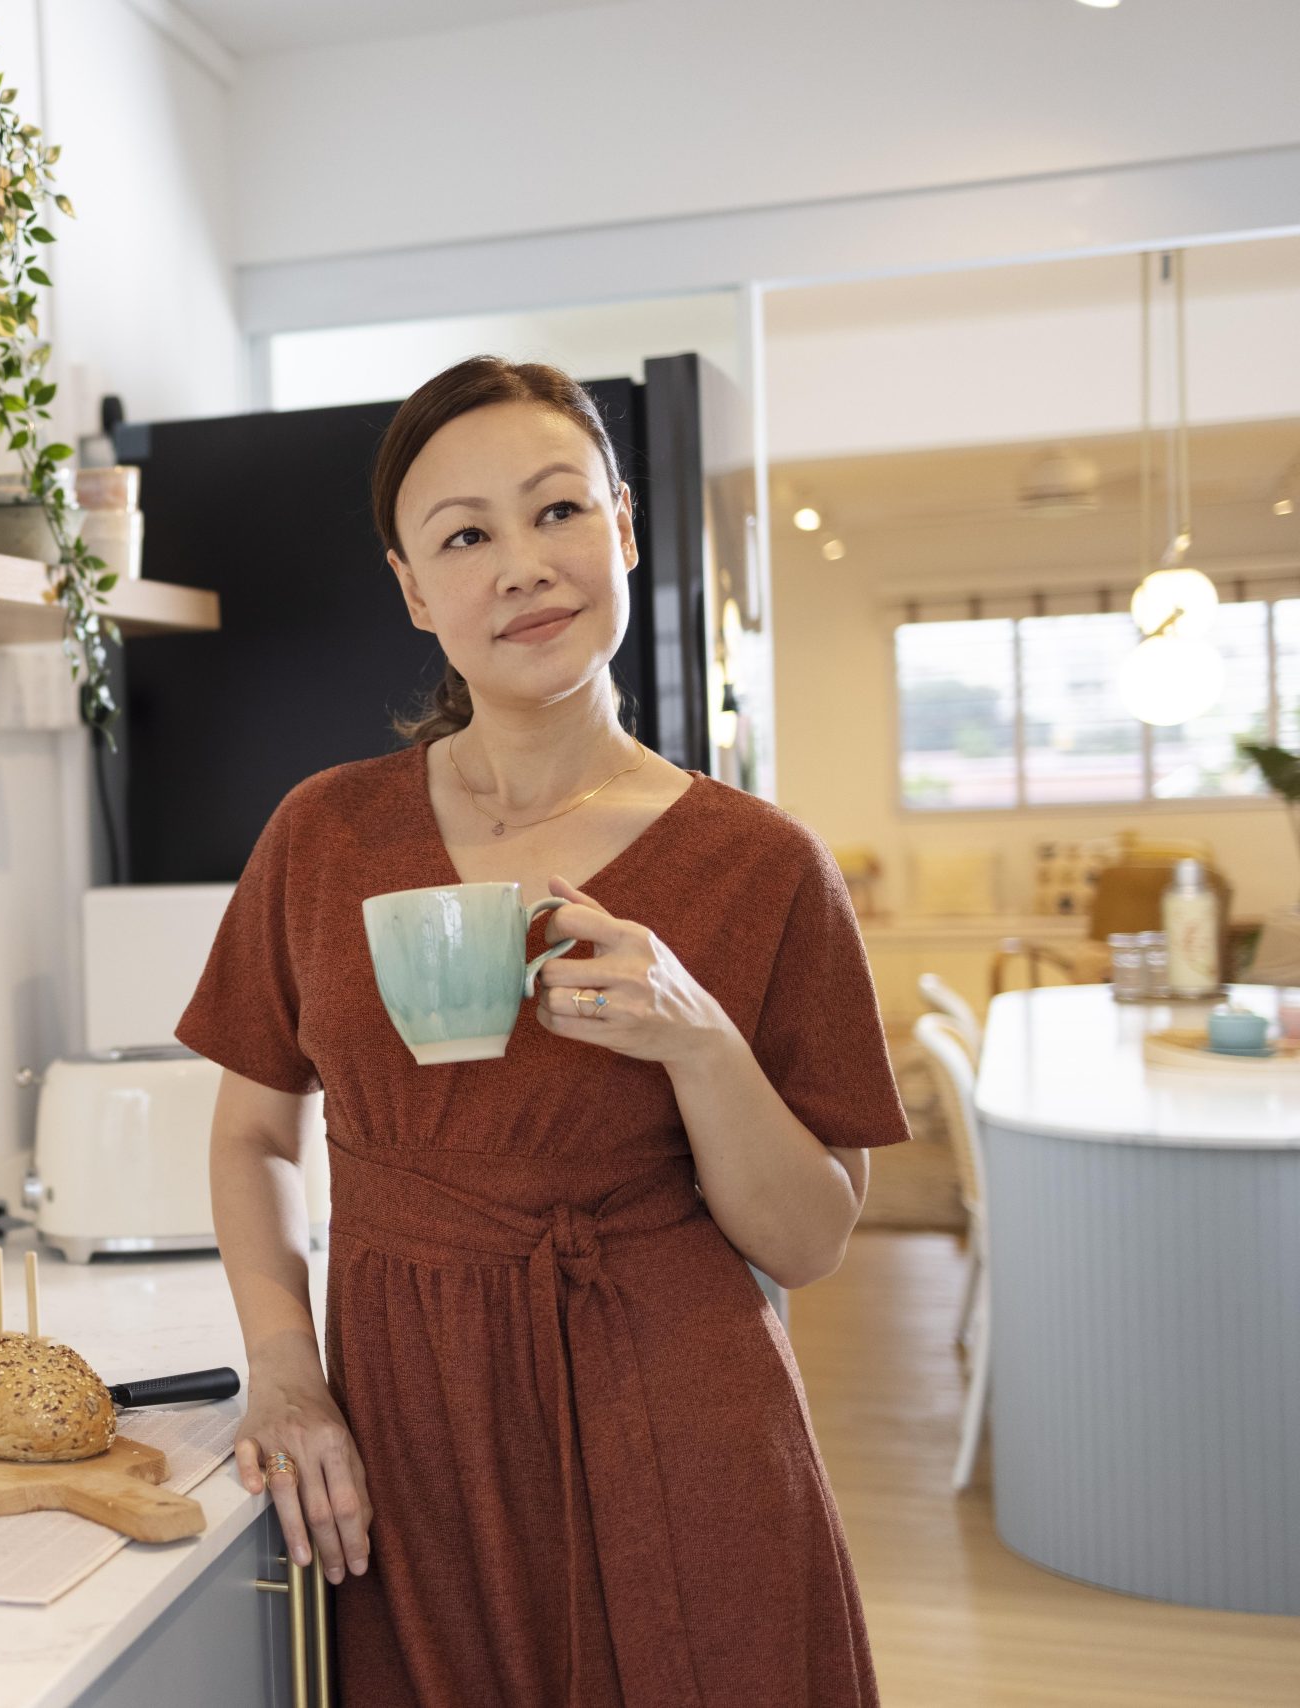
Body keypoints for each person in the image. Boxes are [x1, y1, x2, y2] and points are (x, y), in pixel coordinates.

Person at [177, 356, 912, 1706]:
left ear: (625, 530)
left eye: (559, 511)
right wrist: (285, 1377)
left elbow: (808, 1239)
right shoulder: (323, 836)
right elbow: (253, 1138)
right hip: (412, 1433)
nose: (524, 565)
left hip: (685, 1427)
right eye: (466, 535)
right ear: (413, 588)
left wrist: (698, 1040)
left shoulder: (762, 866)